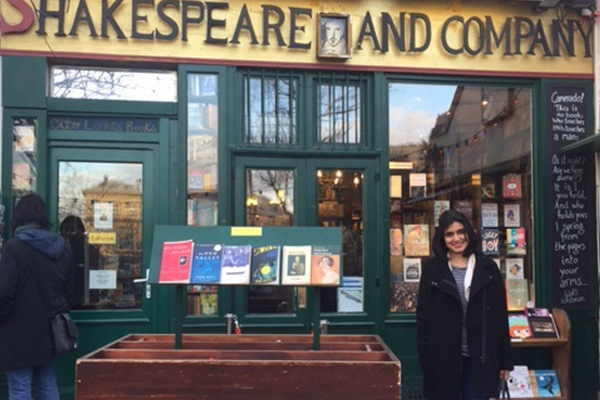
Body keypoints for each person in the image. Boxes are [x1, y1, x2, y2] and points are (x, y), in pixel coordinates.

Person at [416, 210, 512, 400]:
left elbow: (500, 317)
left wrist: (505, 362)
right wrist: (427, 360)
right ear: (442, 239)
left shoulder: (488, 268)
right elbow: (423, 318)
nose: (456, 238)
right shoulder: (432, 270)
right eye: (449, 234)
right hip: (444, 359)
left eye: (461, 232)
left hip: (481, 358)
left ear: (469, 232)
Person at [0, 194, 74, 400]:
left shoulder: (13, 248)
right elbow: (69, 289)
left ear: (19, 216)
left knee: (20, 388)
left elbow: (4, 292)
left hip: (17, 330)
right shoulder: (63, 247)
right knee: (47, 383)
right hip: (50, 330)